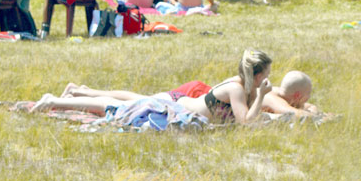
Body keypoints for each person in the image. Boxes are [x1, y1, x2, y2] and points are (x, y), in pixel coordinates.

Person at [31, 50, 274, 125]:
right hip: (174, 107)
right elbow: (245, 124)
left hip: (180, 102)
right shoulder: (237, 89)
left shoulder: (243, 86)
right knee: (119, 106)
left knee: (130, 99)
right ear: (258, 73)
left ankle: (80, 90)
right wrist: (262, 96)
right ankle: (54, 101)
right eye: (267, 73)